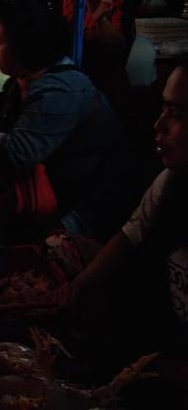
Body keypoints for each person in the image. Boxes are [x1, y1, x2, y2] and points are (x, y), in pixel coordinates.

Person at [0, 0, 136, 244]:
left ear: (25, 45)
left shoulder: (61, 90)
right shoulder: (22, 80)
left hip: (88, 204)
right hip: (51, 191)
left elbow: (17, 153)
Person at [62, 59, 188, 404]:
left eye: (177, 114)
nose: (158, 126)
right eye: (164, 108)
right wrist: (81, 287)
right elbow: (130, 237)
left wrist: (136, 369)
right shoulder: (171, 182)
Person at [63, 0, 136, 114]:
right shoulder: (70, 1)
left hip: (108, 97)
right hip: (73, 92)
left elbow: (118, 46)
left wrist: (100, 17)